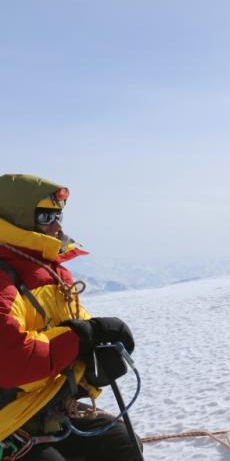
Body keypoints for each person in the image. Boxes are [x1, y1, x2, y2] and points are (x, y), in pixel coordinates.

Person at [0, 174, 141, 461]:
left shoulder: (49, 271)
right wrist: (82, 336)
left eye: (58, 214)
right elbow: (11, 360)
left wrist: (94, 354)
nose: (57, 224)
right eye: (45, 215)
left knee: (123, 446)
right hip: (8, 423)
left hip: (49, 411)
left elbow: (74, 328)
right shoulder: (4, 276)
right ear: (15, 218)